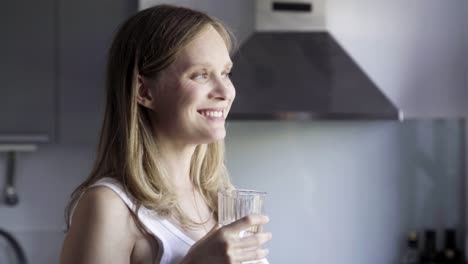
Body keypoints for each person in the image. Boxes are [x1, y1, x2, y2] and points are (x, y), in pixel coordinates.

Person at [59, 4, 272, 264]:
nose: (225, 91)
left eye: (225, 73)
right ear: (144, 92)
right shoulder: (108, 207)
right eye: (201, 74)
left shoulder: (218, 198)